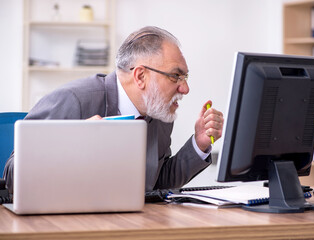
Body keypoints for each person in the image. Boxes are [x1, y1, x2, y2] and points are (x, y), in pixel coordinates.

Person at [3, 26, 224, 194]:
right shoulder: (74, 100)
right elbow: (12, 178)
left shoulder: (160, 113)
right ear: (140, 76)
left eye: (185, 77)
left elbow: (157, 182)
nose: (185, 88)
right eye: (176, 76)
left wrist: (199, 144)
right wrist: (70, 143)